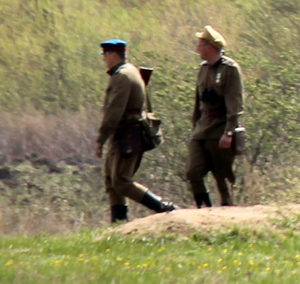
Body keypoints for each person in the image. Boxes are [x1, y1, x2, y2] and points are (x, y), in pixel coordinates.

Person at [96, 39, 177, 224]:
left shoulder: (122, 76)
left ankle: (164, 208)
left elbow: (114, 111)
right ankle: (119, 224)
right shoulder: (129, 71)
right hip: (122, 133)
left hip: (128, 134)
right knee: (111, 182)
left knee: (121, 181)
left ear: (113, 55)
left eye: (105, 55)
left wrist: (101, 139)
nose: (104, 60)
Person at [187, 26, 244, 207]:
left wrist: (229, 132)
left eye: (200, 45)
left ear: (210, 47)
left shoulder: (230, 69)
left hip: (220, 127)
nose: (197, 48)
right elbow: (198, 100)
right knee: (192, 172)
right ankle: (204, 209)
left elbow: (234, 103)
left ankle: (228, 210)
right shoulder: (203, 69)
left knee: (222, 174)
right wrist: (195, 124)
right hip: (202, 127)